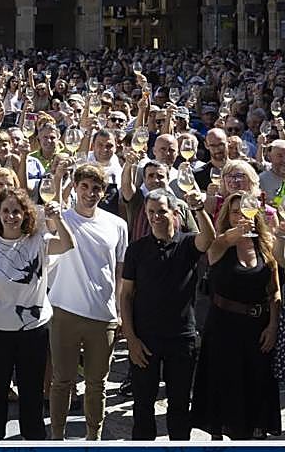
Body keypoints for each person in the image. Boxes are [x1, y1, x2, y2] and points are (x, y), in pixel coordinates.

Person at [0, 186, 75, 440]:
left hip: (33, 331)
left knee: (31, 392)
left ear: (26, 214)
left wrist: (57, 218)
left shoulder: (38, 241)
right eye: (5, 210)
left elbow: (68, 244)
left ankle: (34, 441)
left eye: (16, 211)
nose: (11, 216)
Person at [120, 187, 213, 440]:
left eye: (161, 211)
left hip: (182, 339)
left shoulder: (187, 243)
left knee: (180, 407)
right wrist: (131, 339)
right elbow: (125, 295)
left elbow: (208, 239)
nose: (155, 217)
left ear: (175, 214)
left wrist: (199, 208)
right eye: (151, 212)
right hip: (145, 340)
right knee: (143, 408)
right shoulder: (136, 249)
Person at [190, 191, 282, 439]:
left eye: (247, 209)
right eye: (235, 211)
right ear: (227, 216)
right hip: (224, 329)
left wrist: (272, 326)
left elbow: (274, 292)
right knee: (225, 390)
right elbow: (216, 243)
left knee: (256, 390)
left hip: (258, 330)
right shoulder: (220, 245)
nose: (241, 215)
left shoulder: (265, 244)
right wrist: (234, 233)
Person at [47, 163, 128, 440]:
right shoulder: (62, 218)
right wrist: (58, 178)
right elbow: (50, 211)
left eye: (96, 188)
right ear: (76, 188)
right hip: (64, 311)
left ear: (103, 192)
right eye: (84, 187)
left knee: (97, 384)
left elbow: (119, 271)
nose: (90, 193)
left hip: (102, 315)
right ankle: (56, 439)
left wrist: (118, 312)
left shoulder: (117, 224)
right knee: (62, 382)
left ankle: (94, 439)